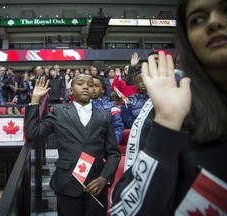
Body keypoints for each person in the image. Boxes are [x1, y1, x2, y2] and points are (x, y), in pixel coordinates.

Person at [110, 0, 227, 215]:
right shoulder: (170, 108)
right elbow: (124, 209)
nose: (214, 22)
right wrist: (166, 123)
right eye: (197, 19)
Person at [25, 75, 121, 216]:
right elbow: (32, 133)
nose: (86, 87)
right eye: (80, 83)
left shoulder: (104, 116)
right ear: (71, 90)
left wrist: (104, 178)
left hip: (96, 184)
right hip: (66, 183)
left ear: (95, 90)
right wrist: (35, 100)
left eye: (90, 84)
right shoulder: (58, 112)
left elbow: (113, 153)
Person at [92, 75, 124, 145]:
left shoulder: (112, 107)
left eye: (96, 86)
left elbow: (118, 127)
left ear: (102, 90)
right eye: (90, 86)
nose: (93, 89)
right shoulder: (81, 106)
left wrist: (112, 145)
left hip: (106, 146)